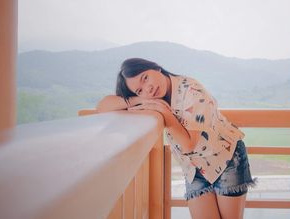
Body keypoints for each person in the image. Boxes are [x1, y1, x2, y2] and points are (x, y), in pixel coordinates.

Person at [96, 58, 256, 219]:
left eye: (145, 78)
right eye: (139, 90)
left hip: (226, 159)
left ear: (156, 68)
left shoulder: (192, 90)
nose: (148, 88)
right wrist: (140, 100)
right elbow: (103, 107)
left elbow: (188, 145)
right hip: (194, 169)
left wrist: (166, 115)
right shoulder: (153, 98)